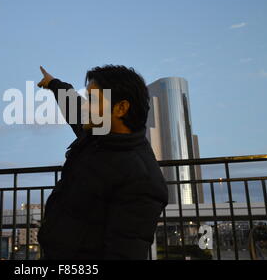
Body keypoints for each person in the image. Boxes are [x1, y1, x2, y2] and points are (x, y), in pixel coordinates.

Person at [36, 64, 168, 260]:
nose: (85, 105)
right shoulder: (97, 134)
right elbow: (73, 106)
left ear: (121, 108)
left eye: (93, 99)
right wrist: (53, 83)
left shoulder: (142, 180)